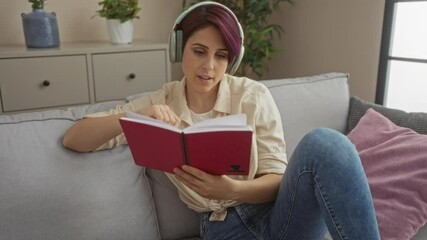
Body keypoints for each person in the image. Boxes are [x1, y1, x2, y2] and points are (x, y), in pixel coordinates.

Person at [63, 2, 380, 239]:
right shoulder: (159, 101)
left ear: (232, 59)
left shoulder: (252, 96)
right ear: (179, 49)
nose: (209, 67)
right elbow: (75, 138)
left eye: (221, 56)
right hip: (223, 230)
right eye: (199, 51)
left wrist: (230, 188)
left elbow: (277, 179)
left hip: (281, 217)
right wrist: (135, 117)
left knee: (326, 143)